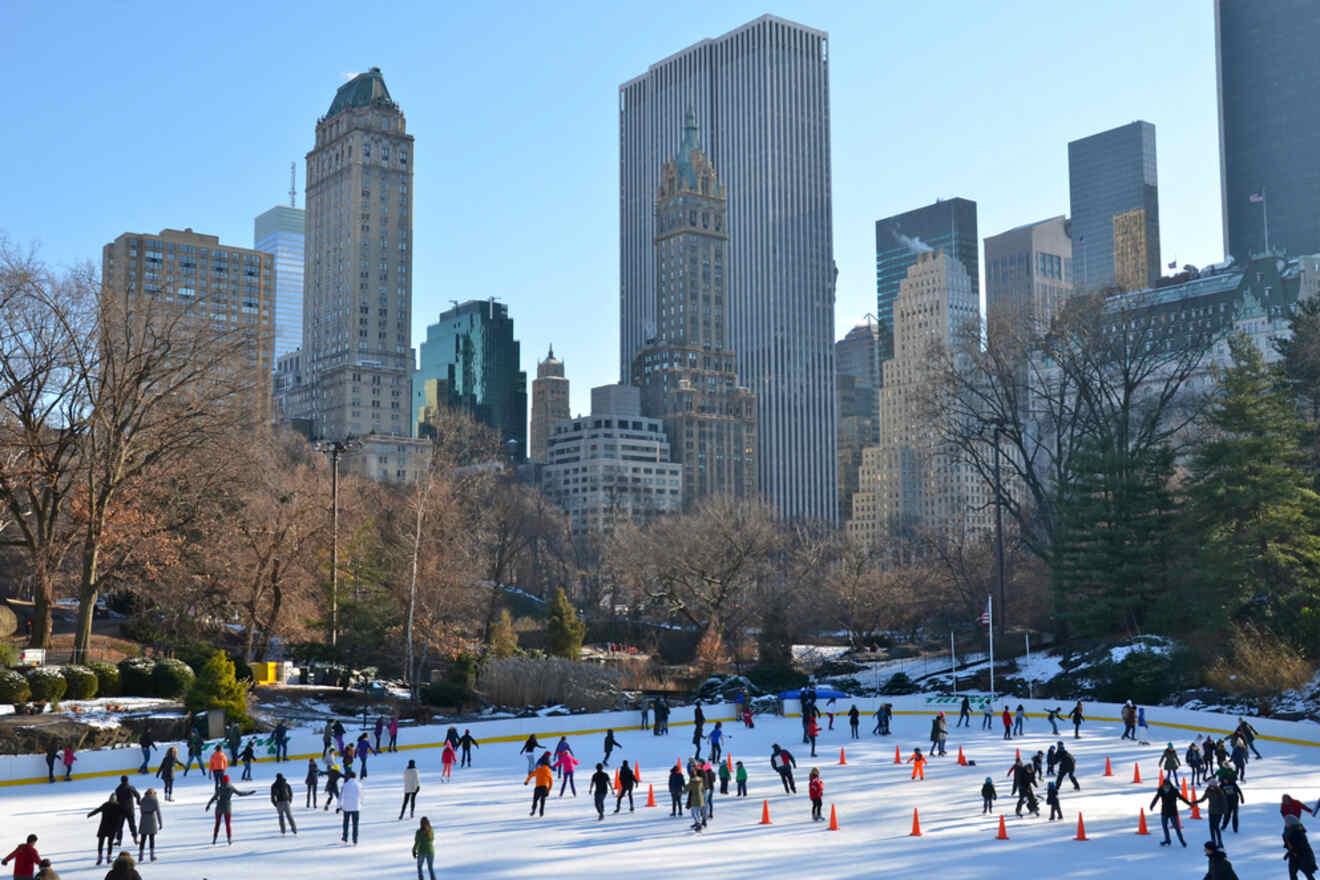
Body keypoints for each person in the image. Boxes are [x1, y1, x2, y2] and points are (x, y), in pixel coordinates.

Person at [205, 774, 254, 845]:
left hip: (219, 807)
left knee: (217, 824)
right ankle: (229, 840)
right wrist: (249, 793)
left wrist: (208, 805)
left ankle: (214, 839)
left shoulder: (220, 788)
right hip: (227, 807)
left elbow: (214, 798)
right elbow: (240, 793)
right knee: (228, 824)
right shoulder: (231, 788)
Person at [1150, 778, 1192, 847]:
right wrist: (1152, 805)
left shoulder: (1174, 791)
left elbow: (1181, 798)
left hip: (1173, 812)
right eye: (1165, 785)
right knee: (1165, 827)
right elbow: (1156, 798)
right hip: (1164, 811)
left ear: (1170, 785)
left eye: (1168, 785)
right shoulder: (1161, 790)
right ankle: (1167, 840)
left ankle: (1182, 841)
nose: (1166, 786)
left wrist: (1189, 803)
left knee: (1177, 828)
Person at [88, 798, 122, 866]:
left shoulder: (105, 805)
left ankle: (100, 857)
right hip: (112, 828)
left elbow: (98, 810)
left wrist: (90, 814)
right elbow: (119, 819)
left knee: (101, 843)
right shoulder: (118, 807)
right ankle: (109, 857)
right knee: (110, 843)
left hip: (103, 826)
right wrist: (118, 829)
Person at [1195, 779, 1228, 849]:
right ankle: (1213, 841)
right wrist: (1196, 802)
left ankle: (1219, 841)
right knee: (1211, 827)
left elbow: (1224, 802)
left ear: (1216, 786)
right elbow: (1203, 799)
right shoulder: (1208, 791)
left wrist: (1225, 812)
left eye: (1213, 786)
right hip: (1211, 811)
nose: (1211, 787)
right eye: (1210, 785)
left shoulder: (1220, 792)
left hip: (1219, 812)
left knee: (1216, 826)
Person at [1285, 814, 1318, 880]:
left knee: (1308, 873)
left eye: (1287, 822)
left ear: (1291, 823)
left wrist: (1290, 852)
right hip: (1294, 856)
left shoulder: (1298, 832)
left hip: (1302, 856)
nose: (1286, 823)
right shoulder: (1289, 830)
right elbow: (1289, 842)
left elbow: (1300, 845)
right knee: (1292, 874)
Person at [113, 777, 141, 847]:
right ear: (127, 780)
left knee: (119, 826)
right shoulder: (131, 787)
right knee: (132, 825)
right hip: (130, 810)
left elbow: (115, 800)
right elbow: (137, 795)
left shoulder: (118, 789)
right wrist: (138, 802)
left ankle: (119, 841)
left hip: (120, 810)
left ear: (121, 780)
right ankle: (135, 839)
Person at [136, 789, 161, 862]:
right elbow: (158, 812)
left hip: (143, 819)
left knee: (143, 839)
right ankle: (152, 855)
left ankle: (140, 856)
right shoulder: (154, 800)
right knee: (151, 839)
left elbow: (141, 810)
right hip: (151, 819)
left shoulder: (143, 800)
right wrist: (160, 822)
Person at [339, 771, 362, 845]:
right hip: (356, 807)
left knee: (346, 823)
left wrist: (339, 806)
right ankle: (355, 840)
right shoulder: (359, 785)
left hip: (346, 807)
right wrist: (360, 804)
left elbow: (341, 796)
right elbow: (362, 796)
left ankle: (345, 838)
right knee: (355, 824)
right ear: (355, 777)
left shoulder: (345, 785)